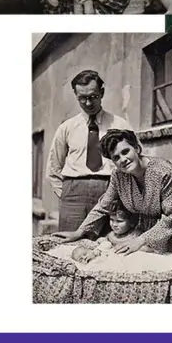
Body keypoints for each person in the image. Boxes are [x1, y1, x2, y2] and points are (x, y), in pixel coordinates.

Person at [54, 129, 172, 303]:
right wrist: (79, 231)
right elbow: (102, 206)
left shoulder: (164, 171)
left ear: (137, 148)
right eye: (116, 158)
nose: (123, 159)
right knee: (151, 277)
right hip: (152, 227)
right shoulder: (119, 177)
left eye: (125, 151)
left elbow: (171, 216)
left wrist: (139, 241)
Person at [47, 70, 135, 232]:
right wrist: (67, 195)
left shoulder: (120, 125)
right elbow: (53, 169)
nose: (88, 103)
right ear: (76, 96)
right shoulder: (66, 127)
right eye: (82, 98)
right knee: (70, 247)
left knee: (108, 245)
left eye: (93, 97)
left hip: (111, 190)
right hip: (73, 195)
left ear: (101, 93)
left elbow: (138, 158)